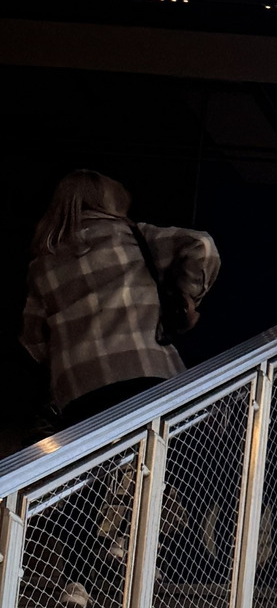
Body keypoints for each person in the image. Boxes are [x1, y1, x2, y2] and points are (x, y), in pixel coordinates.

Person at [19, 170, 220, 426]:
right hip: (145, 369)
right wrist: (186, 297)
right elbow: (202, 245)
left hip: (78, 391)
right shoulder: (131, 236)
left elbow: (33, 339)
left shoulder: (42, 264)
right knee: (164, 442)